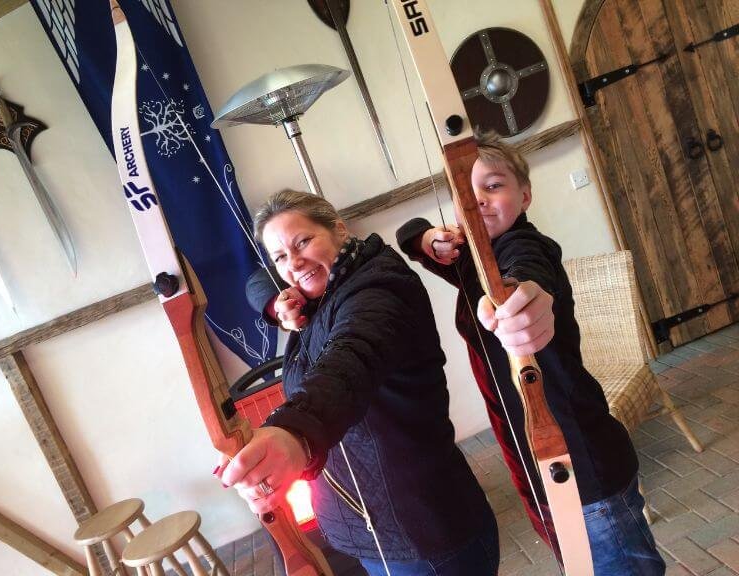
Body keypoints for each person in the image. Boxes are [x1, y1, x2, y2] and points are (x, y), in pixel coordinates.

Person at [396, 131, 665, 575]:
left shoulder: (524, 245)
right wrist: (428, 239)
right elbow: (409, 236)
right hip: (541, 466)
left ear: (525, 196)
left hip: (584, 464)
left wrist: (524, 297)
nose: (479, 199)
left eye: (494, 185)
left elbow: (528, 273)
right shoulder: (473, 259)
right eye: (468, 190)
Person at [220, 189, 501, 576]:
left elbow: (353, 357)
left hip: (423, 535)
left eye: (303, 241)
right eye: (280, 256)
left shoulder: (379, 288)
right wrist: (274, 303)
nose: (294, 262)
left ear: (338, 229)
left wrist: (294, 432)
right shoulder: (317, 290)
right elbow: (257, 282)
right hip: (374, 530)